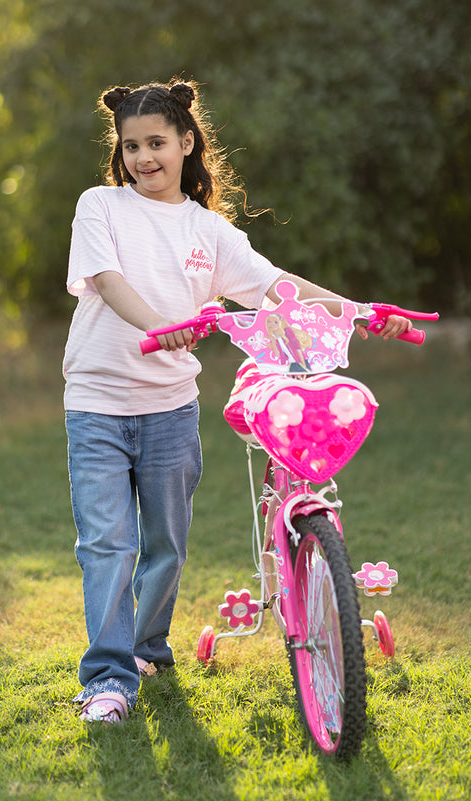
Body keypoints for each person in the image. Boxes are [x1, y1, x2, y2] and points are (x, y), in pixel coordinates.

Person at [63, 79, 411, 724]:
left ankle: (146, 648)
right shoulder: (101, 206)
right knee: (109, 543)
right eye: (132, 145)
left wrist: (362, 311)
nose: (144, 157)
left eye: (158, 143)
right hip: (97, 403)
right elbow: (108, 281)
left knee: (166, 541)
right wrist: (157, 328)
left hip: (170, 407)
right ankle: (108, 680)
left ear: (186, 143)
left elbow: (277, 289)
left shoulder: (208, 231)